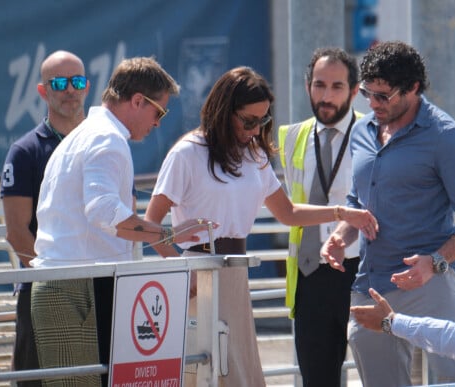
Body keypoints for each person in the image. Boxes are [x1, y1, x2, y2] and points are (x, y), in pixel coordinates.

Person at [144, 66, 378, 387]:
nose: (255, 130)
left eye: (262, 121)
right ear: (225, 111)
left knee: (236, 370)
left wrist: (340, 212)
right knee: (204, 372)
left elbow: (289, 212)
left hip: (234, 273)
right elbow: (150, 225)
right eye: (248, 120)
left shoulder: (254, 155)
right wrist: (184, 271)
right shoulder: (188, 152)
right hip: (197, 275)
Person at [30, 56, 211, 386]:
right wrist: (169, 235)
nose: (158, 123)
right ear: (138, 101)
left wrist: (169, 245)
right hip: (80, 286)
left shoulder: (88, 134)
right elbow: (103, 213)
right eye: (160, 112)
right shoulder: (106, 139)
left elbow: (105, 215)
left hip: (73, 283)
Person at [321, 40, 455, 386]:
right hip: (372, 283)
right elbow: (359, 201)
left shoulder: (447, 137)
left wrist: (436, 261)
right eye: (368, 93)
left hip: (431, 282)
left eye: (383, 96)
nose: (373, 104)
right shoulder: (362, 131)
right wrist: (340, 236)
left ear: (413, 87)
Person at [0, 50, 89, 387]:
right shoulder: (25, 151)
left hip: (96, 288)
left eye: (77, 81)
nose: (70, 90)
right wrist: (58, 281)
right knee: (36, 381)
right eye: (59, 83)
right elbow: (17, 232)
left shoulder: (101, 145)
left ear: (87, 86)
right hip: (43, 290)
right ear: (42, 91)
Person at [277, 47, 362, 387]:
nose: (326, 96)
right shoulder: (292, 136)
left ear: (355, 91)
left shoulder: (371, 134)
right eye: (319, 85)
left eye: (337, 87)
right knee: (317, 378)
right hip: (310, 271)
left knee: (380, 370)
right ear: (307, 86)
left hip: (361, 269)